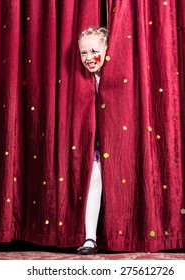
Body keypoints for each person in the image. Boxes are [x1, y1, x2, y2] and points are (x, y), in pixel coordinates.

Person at [76, 27, 108, 255]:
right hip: (93, 145)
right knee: (94, 178)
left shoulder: (114, 79)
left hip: (113, 141)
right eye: (83, 53)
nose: (89, 58)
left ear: (106, 50)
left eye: (94, 51)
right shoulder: (80, 83)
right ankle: (90, 238)